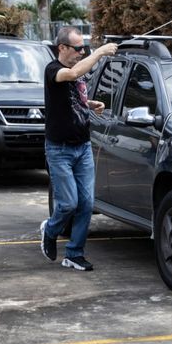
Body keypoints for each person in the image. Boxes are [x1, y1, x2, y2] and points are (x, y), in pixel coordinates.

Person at [40, 27, 118, 271]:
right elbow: (72, 74)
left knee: (86, 203)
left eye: (84, 48)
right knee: (68, 204)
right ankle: (50, 230)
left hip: (82, 147)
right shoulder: (53, 70)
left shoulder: (76, 70)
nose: (82, 52)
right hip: (59, 149)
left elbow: (74, 96)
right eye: (78, 48)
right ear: (62, 48)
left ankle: (74, 253)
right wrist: (100, 52)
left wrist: (91, 104)